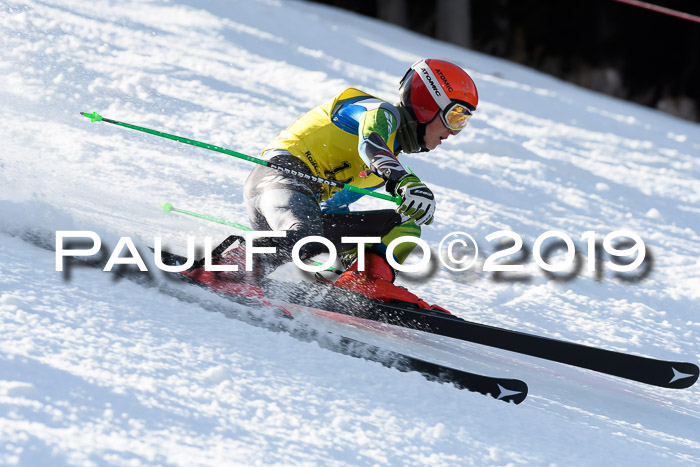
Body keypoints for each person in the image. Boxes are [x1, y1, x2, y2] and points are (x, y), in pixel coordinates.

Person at [194, 59, 478, 307]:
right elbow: (372, 143)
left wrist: (345, 260)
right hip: (277, 181)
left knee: (404, 226)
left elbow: (333, 209)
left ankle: (361, 283)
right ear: (428, 104)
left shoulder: (378, 171)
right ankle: (224, 269)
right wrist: (404, 182)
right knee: (306, 234)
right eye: (455, 117)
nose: (454, 132)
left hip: (303, 210)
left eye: (463, 123)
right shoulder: (378, 112)